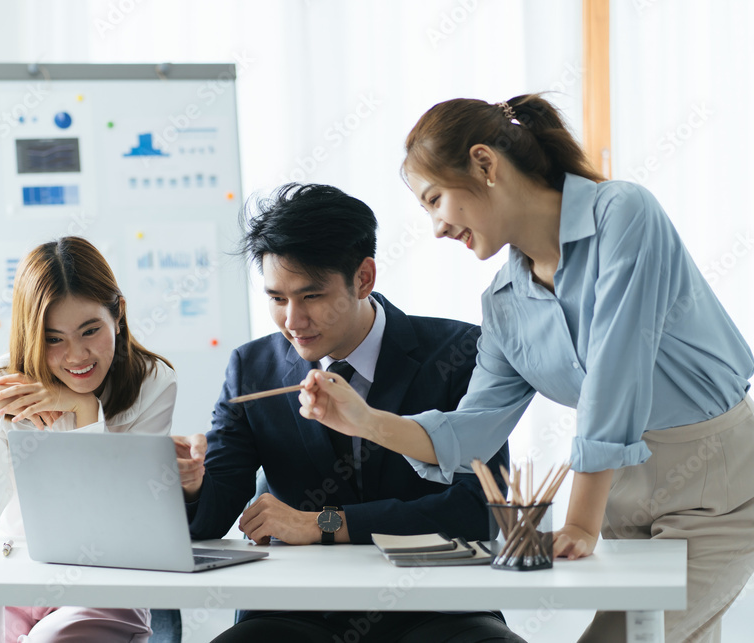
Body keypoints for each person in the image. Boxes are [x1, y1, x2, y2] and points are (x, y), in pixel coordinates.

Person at [298, 95, 754, 643]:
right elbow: (474, 431)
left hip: (717, 485)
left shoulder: (623, 214)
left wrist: (581, 520)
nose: (437, 229)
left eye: (435, 199)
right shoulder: (504, 302)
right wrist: (366, 420)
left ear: (486, 165)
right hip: (622, 495)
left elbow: (617, 372)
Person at [175, 183, 524, 642]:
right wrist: (193, 482)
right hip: (295, 611)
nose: (293, 321)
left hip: (438, 608)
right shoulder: (251, 367)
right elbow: (210, 519)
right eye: (277, 299)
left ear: (363, 278)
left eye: (311, 296)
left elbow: (478, 509)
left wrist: (323, 524)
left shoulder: (460, 352)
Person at [0, 236, 175, 643]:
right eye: (53, 339)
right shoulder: (5, 381)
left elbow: (110, 523)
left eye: (90, 330)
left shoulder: (152, 382)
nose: (76, 355)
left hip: (104, 582)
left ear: (118, 314)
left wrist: (84, 410)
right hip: (13, 573)